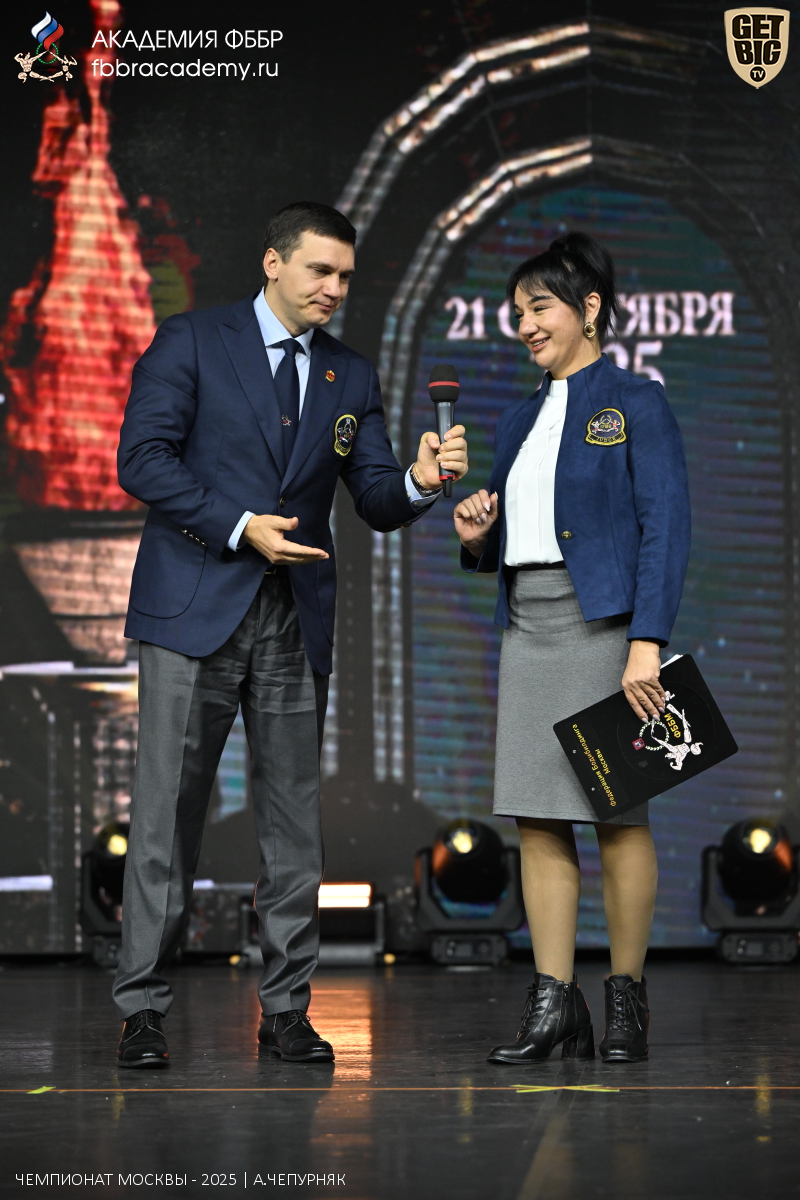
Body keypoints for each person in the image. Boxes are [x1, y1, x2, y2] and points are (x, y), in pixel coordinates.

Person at [113, 201, 469, 1067]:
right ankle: (143, 1008)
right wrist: (242, 527)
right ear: (273, 263)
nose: (334, 288)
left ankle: (286, 1010)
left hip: (292, 615)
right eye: (320, 270)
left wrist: (420, 480)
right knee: (166, 815)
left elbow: (376, 498)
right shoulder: (192, 340)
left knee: (294, 824)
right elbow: (142, 459)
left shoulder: (351, 373)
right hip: (193, 607)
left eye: (345, 275)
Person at [454, 231, 690, 1065]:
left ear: (590, 308)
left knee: (619, 817)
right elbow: (520, 531)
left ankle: (625, 1000)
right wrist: (477, 537)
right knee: (538, 818)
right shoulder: (518, 417)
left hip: (605, 632)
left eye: (539, 307)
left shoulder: (636, 401)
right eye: (516, 312)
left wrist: (645, 642)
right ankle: (554, 1004)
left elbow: (665, 527)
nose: (524, 325)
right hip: (529, 629)